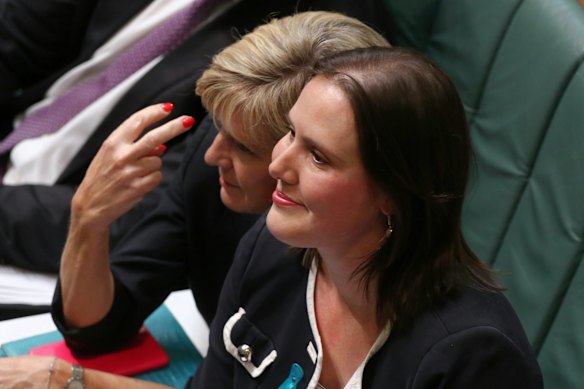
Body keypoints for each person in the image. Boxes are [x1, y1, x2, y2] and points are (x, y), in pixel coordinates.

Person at [0, 11, 390, 388]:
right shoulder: (211, 175)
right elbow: (99, 326)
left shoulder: (347, 267)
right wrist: (87, 217)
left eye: (243, 147)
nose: (211, 155)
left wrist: (66, 381)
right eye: (215, 126)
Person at [191, 47, 544, 387]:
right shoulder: (267, 249)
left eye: (318, 157)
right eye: (291, 133)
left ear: (393, 195)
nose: (277, 165)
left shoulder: (474, 359)